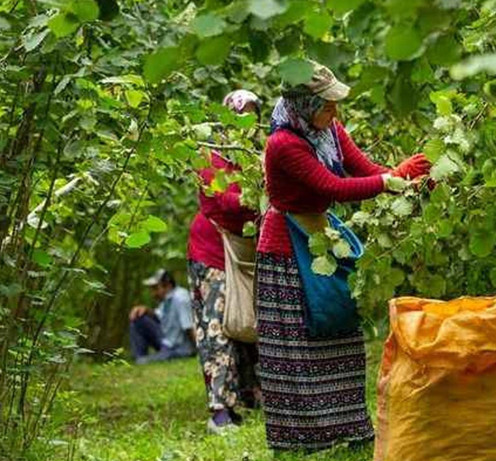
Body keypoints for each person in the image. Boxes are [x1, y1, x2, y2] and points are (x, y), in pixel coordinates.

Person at [256, 61, 431, 452]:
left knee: (338, 324)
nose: (335, 112)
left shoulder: (330, 131)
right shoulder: (283, 143)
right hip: (287, 245)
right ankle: (303, 437)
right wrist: (390, 180)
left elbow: (366, 170)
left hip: (322, 236)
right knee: (300, 340)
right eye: (328, 104)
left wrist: (406, 180)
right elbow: (333, 186)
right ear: (304, 103)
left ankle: (347, 427)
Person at [187, 89, 262, 434]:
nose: (245, 122)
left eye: (252, 115)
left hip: (245, 253)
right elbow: (228, 203)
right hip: (212, 252)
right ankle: (219, 409)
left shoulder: (252, 158)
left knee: (246, 321)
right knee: (217, 327)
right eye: (239, 115)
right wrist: (260, 194)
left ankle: (250, 393)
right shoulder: (211, 159)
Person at [129, 269, 196, 365]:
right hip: (167, 341)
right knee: (138, 319)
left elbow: (189, 327)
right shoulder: (167, 299)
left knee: (143, 362)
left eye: (156, 288)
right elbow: (159, 316)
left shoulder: (181, 299)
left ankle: (141, 361)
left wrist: (201, 351)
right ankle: (138, 357)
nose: (153, 294)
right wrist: (146, 310)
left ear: (167, 286)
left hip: (179, 348)